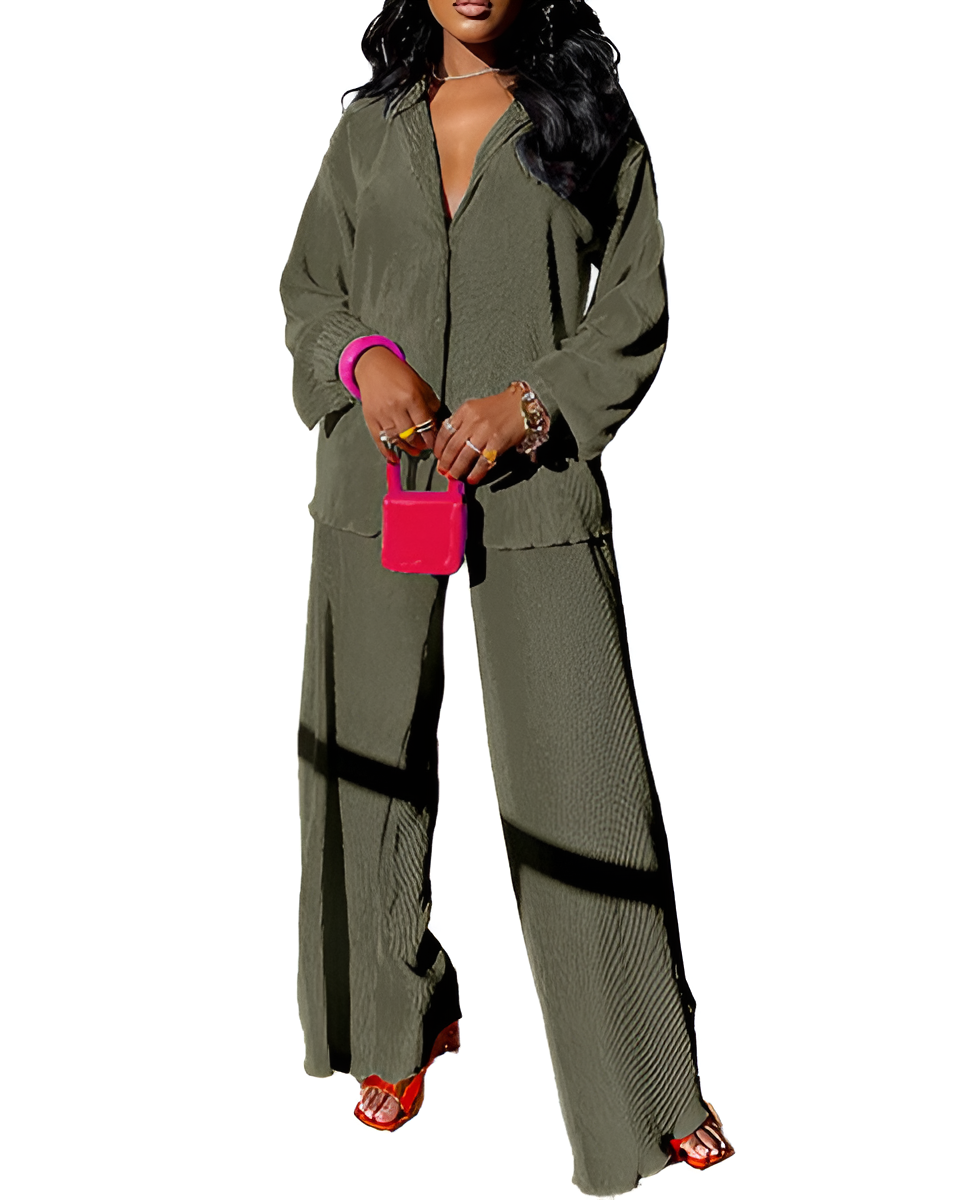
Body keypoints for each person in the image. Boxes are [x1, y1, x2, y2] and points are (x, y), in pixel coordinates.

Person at [279, 1, 734, 1193]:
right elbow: (311, 292)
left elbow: (633, 299)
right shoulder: (369, 130)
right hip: (375, 485)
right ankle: (391, 1023)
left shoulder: (586, 118)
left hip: (533, 487)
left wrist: (534, 404)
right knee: (362, 765)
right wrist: (364, 362)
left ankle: (648, 1080)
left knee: (585, 778)